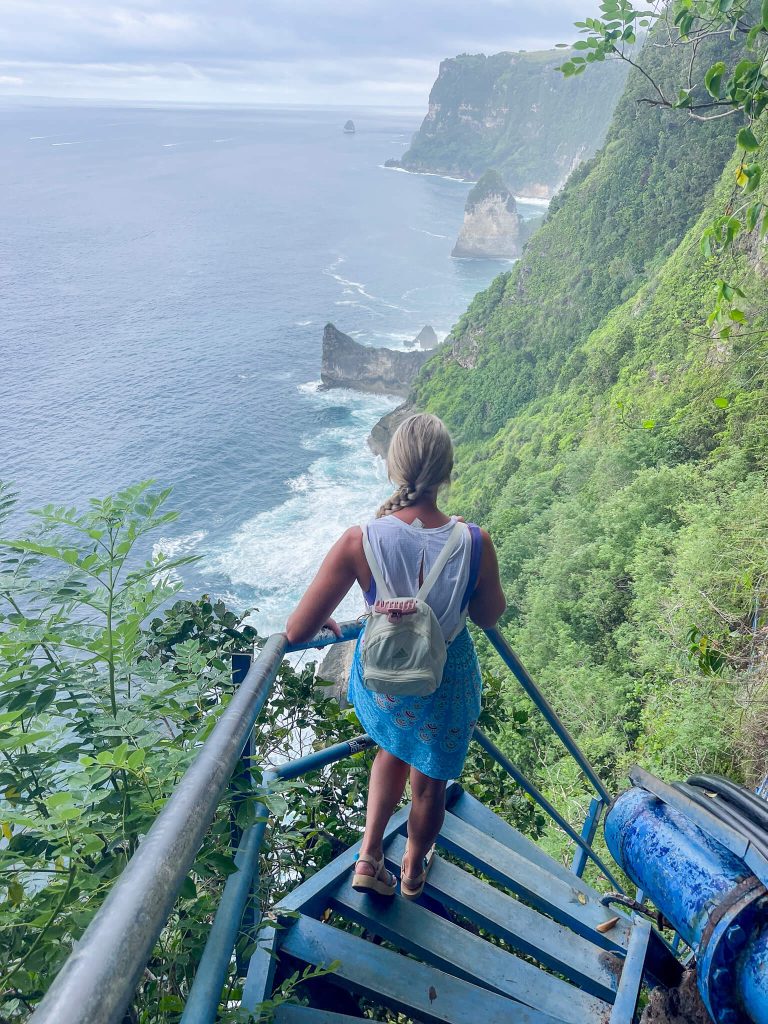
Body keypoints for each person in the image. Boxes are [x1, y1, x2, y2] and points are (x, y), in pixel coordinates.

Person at [285, 413, 505, 898]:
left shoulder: (359, 539)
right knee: (428, 786)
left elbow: (297, 629)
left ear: (393, 468)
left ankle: (369, 856)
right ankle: (411, 870)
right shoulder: (473, 541)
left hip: (385, 678)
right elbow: (490, 616)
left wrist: (327, 620)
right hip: (444, 680)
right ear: (447, 473)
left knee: (391, 748)